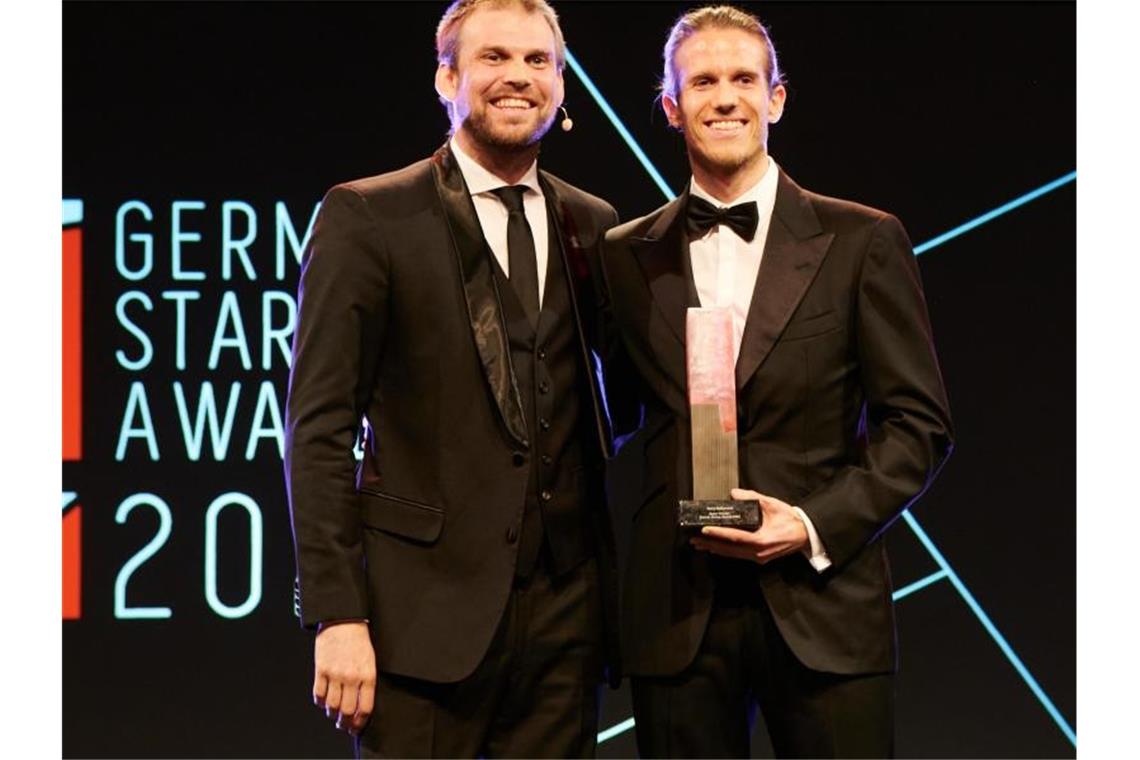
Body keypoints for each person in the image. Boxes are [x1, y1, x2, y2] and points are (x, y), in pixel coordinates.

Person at [597, 5, 954, 757]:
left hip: (824, 607)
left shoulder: (862, 240)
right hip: (676, 616)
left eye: (743, 79)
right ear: (671, 106)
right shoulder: (624, 256)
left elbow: (918, 428)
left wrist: (810, 523)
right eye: (702, 81)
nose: (724, 97)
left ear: (776, 97)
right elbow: (620, 415)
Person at [284, 1, 621, 756]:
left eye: (539, 62)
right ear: (447, 77)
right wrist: (338, 614)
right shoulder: (369, 217)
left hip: (566, 631)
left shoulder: (592, 225)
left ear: (562, 86)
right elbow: (318, 427)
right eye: (495, 57)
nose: (518, 78)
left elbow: (623, 401)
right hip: (419, 628)